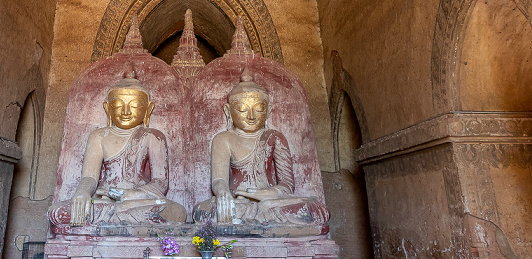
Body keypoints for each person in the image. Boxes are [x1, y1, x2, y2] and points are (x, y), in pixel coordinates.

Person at [49, 72, 186, 227]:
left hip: (137, 200)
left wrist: (127, 195)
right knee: (57, 212)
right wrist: (82, 193)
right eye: (118, 106)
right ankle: (122, 222)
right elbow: (90, 177)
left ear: (148, 109)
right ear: (108, 109)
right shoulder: (98, 136)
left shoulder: (153, 136)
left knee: (177, 212)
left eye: (134, 105)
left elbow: (160, 182)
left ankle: (112, 222)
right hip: (105, 200)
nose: (126, 112)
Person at [193, 70, 329, 226]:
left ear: (268, 111)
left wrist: (266, 194)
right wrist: (223, 194)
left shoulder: (274, 137)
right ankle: (257, 217)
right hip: (238, 201)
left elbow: (287, 184)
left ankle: (256, 216)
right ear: (228, 111)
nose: (251, 116)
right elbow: (219, 180)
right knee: (203, 212)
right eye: (242, 109)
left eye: (258, 109)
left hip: (270, 201)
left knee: (317, 211)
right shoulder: (223, 139)